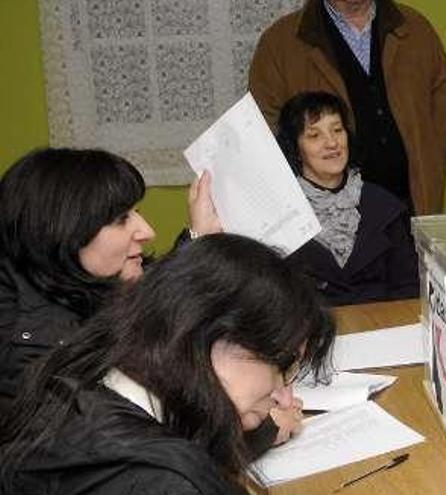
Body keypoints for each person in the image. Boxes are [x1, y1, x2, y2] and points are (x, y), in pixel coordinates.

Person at [0, 149, 301, 451]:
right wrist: (258, 432)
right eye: (121, 219)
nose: (147, 231)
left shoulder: (70, 286)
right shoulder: (30, 351)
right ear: (64, 231)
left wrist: (199, 235)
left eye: (136, 213)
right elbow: (130, 453)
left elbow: (152, 294)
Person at [0, 234, 335, 494]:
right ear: (209, 336)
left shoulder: (84, 374)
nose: (286, 397)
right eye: (283, 366)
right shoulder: (164, 482)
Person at [249, 0, 446, 215]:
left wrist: (431, 163)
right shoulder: (280, 44)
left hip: (413, 208)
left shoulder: (415, 28)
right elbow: (264, 131)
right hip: (331, 222)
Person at [277, 91, 418, 306]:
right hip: (311, 332)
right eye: (314, 135)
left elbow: (408, 288)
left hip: (382, 327)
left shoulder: (382, 205)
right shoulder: (281, 214)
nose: (332, 143)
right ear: (295, 148)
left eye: (337, 130)